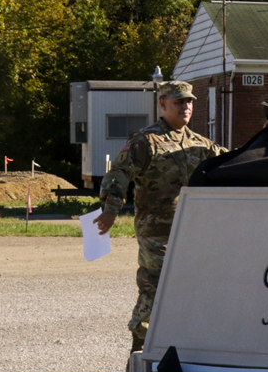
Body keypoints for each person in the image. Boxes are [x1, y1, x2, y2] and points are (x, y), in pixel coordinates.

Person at [94, 81, 226, 353]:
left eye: (189, 101)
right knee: (155, 287)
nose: (185, 106)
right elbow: (119, 173)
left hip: (191, 229)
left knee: (191, 288)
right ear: (162, 104)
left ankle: (179, 347)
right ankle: (139, 349)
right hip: (156, 231)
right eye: (179, 102)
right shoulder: (146, 140)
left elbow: (232, 162)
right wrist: (110, 209)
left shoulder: (199, 144)